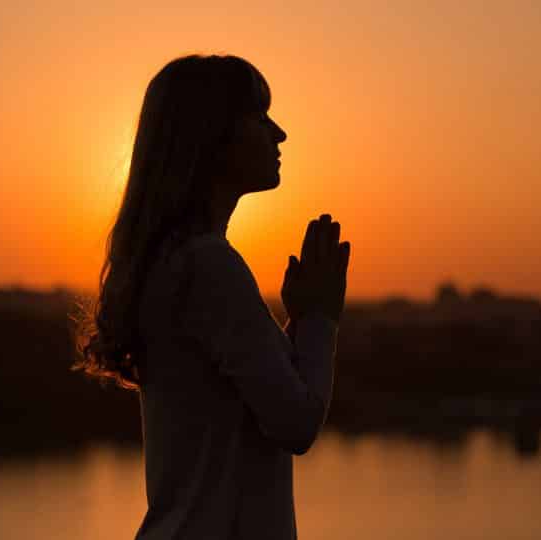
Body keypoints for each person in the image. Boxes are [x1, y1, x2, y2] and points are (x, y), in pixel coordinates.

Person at [71, 54, 351, 539]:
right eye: (258, 116)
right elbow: (296, 422)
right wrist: (322, 320)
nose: (278, 133)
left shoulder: (172, 263)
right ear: (213, 137)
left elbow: (241, 395)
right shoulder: (208, 266)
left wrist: (299, 321)